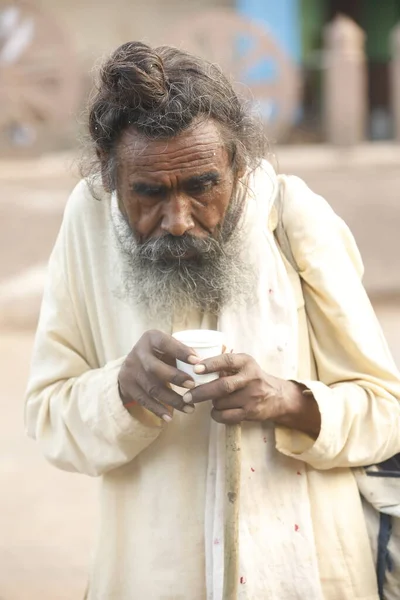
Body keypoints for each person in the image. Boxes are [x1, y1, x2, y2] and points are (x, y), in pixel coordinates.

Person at [25, 41, 400, 600]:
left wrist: (290, 400)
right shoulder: (88, 225)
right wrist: (120, 391)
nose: (177, 220)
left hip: (312, 576)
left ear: (238, 166)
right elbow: (49, 418)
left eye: (202, 186)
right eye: (148, 193)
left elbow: (386, 411)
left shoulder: (294, 217)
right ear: (109, 179)